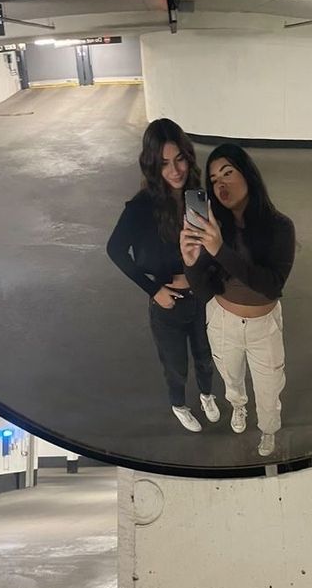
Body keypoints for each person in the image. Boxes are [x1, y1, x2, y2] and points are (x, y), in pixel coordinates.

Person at [180, 143, 295, 457]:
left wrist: (220, 252)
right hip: (222, 320)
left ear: (248, 175)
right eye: (214, 179)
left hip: (264, 324)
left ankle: (268, 429)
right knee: (231, 378)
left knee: (270, 389)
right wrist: (190, 262)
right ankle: (238, 407)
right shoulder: (215, 228)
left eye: (228, 173)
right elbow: (205, 292)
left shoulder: (280, 227)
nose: (220, 184)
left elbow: (270, 286)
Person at [107, 118, 220, 432]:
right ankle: (179, 403)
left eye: (180, 159)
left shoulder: (197, 200)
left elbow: (214, 250)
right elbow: (115, 249)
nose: (175, 171)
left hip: (201, 297)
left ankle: (208, 395)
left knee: (205, 356)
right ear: (152, 166)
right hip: (167, 304)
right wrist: (153, 289)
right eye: (165, 163)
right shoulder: (141, 207)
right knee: (175, 365)